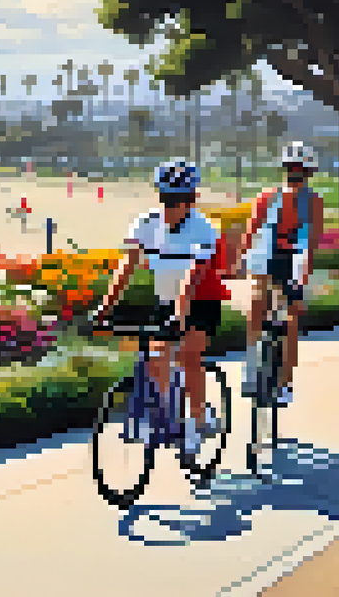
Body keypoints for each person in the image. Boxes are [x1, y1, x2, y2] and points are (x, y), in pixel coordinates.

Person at [94, 159, 232, 458]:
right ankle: (168, 414)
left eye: (179, 199)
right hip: (166, 301)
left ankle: (198, 421)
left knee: (188, 355)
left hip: (202, 301)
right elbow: (126, 266)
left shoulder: (204, 228)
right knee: (155, 356)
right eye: (167, 198)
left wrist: (181, 315)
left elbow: (193, 276)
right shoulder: (146, 223)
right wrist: (104, 308)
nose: (172, 206)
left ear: (192, 199)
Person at [238, 142, 326, 407]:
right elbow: (253, 233)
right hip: (275, 256)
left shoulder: (300, 200)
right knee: (271, 310)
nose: (296, 173)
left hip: (282, 257)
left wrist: (300, 282)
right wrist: (242, 261)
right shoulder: (276, 199)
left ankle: (270, 376)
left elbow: (308, 244)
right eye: (294, 169)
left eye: (297, 169)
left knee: (279, 312)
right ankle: (266, 373)